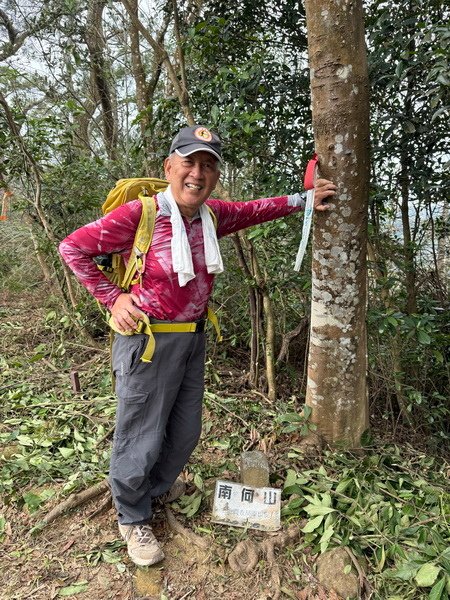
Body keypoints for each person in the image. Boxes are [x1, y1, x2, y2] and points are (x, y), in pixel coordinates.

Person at [59, 125, 337, 566]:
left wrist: (304, 200)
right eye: (189, 162)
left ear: (216, 176)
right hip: (147, 342)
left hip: (191, 340)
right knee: (141, 435)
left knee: (185, 430)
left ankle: (154, 490)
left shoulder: (211, 216)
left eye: (208, 165)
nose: (197, 173)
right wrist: (113, 298)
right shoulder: (141, 214)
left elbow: (254, 209)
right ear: (169, 167)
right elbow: (72, 247)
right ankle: (132, 517)